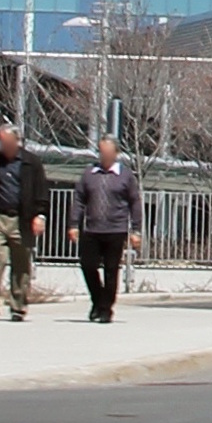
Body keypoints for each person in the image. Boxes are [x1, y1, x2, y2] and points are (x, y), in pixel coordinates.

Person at [0, 124, 47, 321]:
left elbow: (42, 191)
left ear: (17, 141)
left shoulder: (32, 163)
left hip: (22, 219)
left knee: (21, 264)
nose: (3, 145)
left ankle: (18, 306)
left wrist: (40, 216)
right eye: (1, 141)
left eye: (7, 141)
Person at [71, 136, 143, 323]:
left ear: (116, 153)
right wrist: (73, 224)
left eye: (108, 152)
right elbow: (79, 200)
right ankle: (98, 300)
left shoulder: (125, 176)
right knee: (88, 266)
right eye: (101, 151)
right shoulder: (89, 173)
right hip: (92, 229)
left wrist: (136, 230)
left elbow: (135, 202)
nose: (104, 155)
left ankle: (106, 308)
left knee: (111, 270)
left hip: (115, 229)